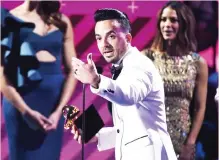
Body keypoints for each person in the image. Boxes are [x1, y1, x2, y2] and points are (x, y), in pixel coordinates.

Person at [71, 8, 177, 160]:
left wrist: (96, 80)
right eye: (99, 38)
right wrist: (98, 137)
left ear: (128, 38)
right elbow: (134, 129)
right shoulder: (124, 67)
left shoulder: (139, 65)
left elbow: (129, 95)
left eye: (111, 36)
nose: (104, 44)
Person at [1, 0, 77, 159]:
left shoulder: (61, 21)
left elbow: (73, 71)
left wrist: (58, 112)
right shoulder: (7, 19)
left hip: (53, 106)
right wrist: (26, 112)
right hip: (21, 105)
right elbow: (3, 76)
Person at [141, 1, 208, 159]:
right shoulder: (146, 58)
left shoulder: (197, 63)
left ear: (184, 24)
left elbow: (200, 108)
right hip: (150, 139)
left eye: (173, 20)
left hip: (182, 142)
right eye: (163, 20)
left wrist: (190, 144)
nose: (167, 24)